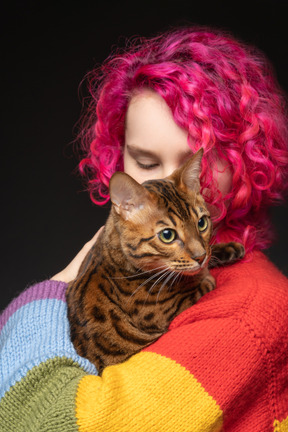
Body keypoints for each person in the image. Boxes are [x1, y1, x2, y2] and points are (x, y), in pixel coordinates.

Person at [0, 26, 288, 432]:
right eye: (146, 163)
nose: (173, 184)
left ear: (244, 157)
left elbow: (45, 424)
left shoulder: (249, 312)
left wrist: (51, 290)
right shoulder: (136, 266)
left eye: (193, 163)